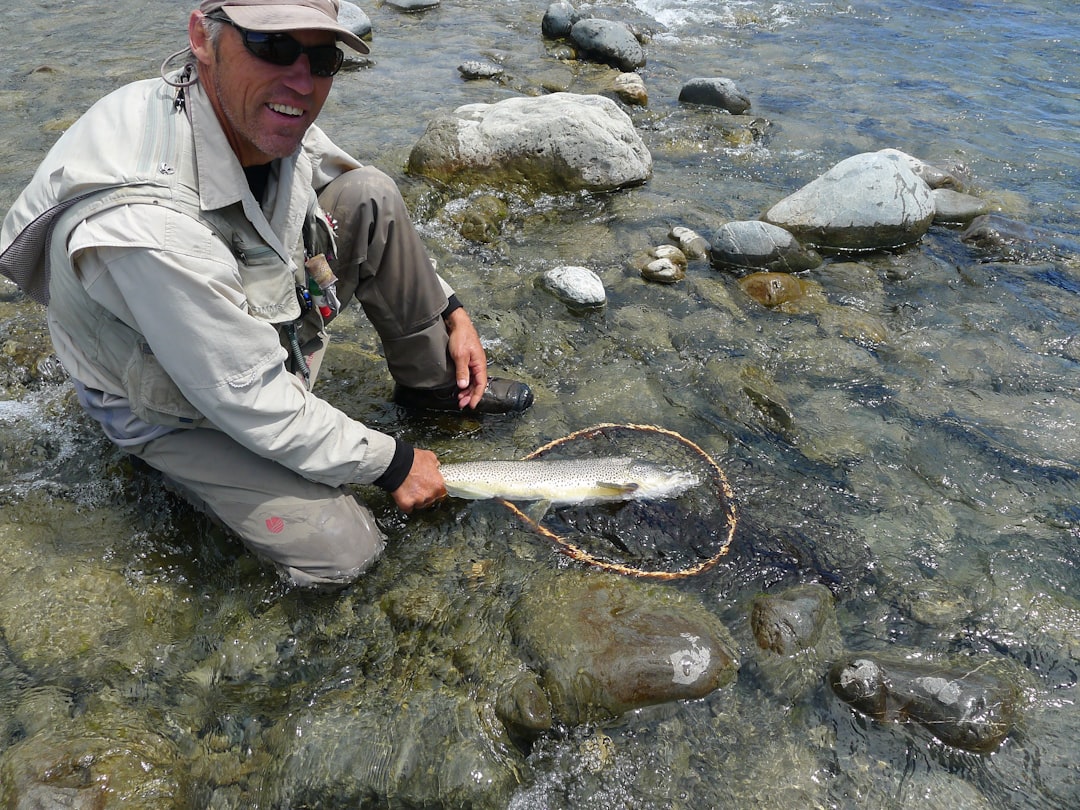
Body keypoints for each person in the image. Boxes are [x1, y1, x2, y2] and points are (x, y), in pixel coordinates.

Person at [0, 0, 534, 586]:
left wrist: (450, 308)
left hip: (230, 323)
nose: (301, 80)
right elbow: (247, 396)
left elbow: (342, 183)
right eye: (272, 47)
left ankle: (435, 386)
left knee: (370, 194)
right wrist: (394, 462)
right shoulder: (146, 223)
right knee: (344, 550)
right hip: (168, 400)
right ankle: (174, 474)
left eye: (322, 57)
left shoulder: (261, 108)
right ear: (202, 37)